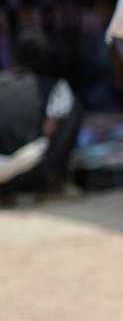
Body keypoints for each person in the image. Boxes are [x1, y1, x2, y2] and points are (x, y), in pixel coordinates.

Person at [0, 29, 82, 202]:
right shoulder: (55, 86)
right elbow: (49, 129)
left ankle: (5, 193)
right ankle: (51, 185)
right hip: (30, 169)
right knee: (70, 108)